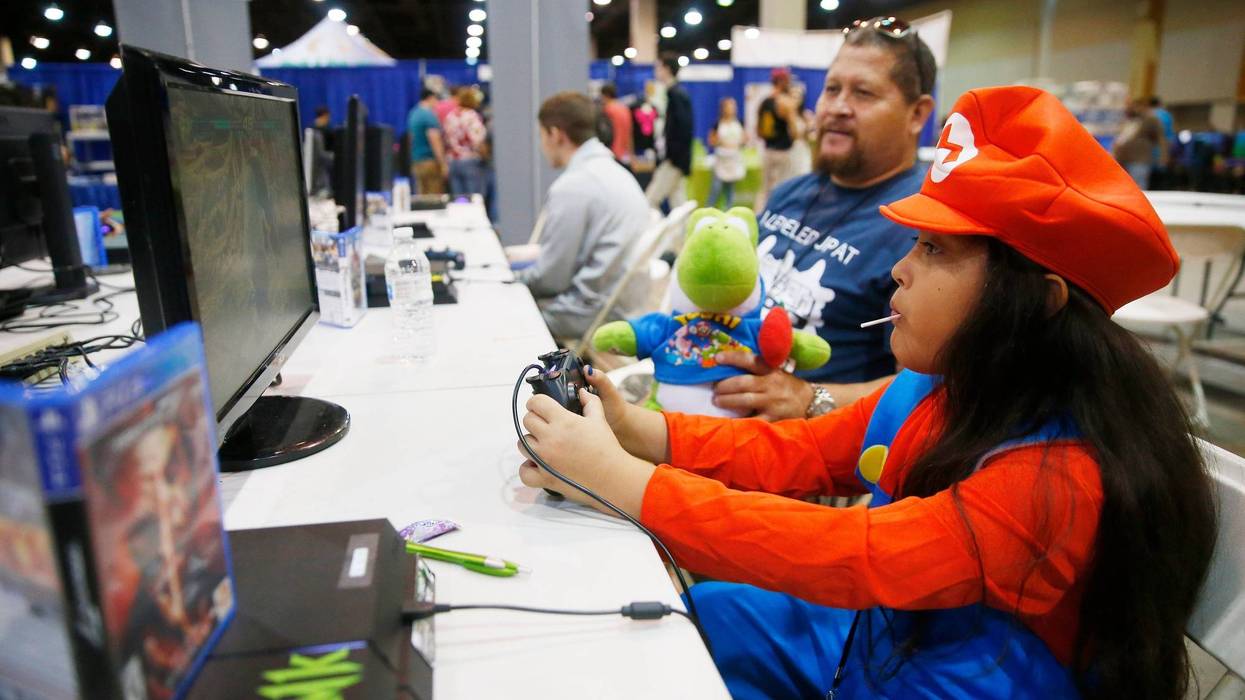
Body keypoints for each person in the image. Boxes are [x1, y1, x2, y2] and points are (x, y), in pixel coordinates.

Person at [517, 84, 1217, 700]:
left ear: (1035, 301)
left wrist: (621, 479)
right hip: (881, 639)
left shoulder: (1054, 478)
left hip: (940, 674)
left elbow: (854, 554)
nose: (898, 272)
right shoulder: (938, 386)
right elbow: (805, 451)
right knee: (687, 619)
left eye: (933, 250)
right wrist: (643, 434)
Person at [712, 17, 937, 421]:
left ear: (917, 115)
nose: (836, 107)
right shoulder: (791, 193)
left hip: (805, 449)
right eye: (832, 89)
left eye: (863, 93)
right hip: (719, 401)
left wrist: (811, 399)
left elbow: (927, 392)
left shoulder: (924, 229)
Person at [512, 91, 651, 340]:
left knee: (503, 317)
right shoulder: (615, 172)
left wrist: (509, 280)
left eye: (541, 135)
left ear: (555, 134)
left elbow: (551, 278)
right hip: (622, 303)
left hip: (588, 312)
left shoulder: (574, 186)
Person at [645, 54, 693, 209]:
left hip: (673, 159)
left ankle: (654, 232)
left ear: (666, 69)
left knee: (651, 200)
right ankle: (684, 233)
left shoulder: (676, 94)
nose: (656, 71)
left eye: (659, 67)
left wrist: (673, 156)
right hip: (675, 158)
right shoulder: (673, 93)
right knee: (678, 201)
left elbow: (683, 128)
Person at [756, 67, 798, 211]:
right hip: (784, 152)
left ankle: (760, 218)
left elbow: (759, 131)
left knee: (765, 190)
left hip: (768, 151)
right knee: (784, 189)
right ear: (781, 81)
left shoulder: (764, 102)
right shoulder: (785, 102)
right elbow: (795, 132)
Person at [443, 87, 490, 202]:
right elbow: (477, 140)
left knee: (459, 199)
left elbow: (446, 139)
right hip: (470, 160)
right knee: (474, 199)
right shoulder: (471, 116)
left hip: (453, 161)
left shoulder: (450, 116)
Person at [1112, 98, 1165, 189]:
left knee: (1138, 186)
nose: (1132, 108)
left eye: (1135, 106)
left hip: (1140, 159)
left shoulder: (1151, 120)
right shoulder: (1128, 121)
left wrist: (1163, 157)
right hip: (1123, 159)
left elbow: (1160, 139)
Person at [406, 88, 447, 195]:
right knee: (434, 196)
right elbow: (435, 140)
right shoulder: (429, 116)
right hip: (430, 161)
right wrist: (442, 163)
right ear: (431, 98)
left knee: (421, 195)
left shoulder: (413, 114)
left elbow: (410, 138)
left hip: (417, 160)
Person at [706, 97, 745, 208]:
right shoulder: (718, 124)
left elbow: (744, 139)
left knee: (730, 191)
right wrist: (720, 141)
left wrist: (739, 142)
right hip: (721, 160)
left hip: (733, 159)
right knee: (716, 188)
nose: (732, 109)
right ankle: (709, 210)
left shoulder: (739, 123)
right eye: (729, 106)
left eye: (734, 106)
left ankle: (728, 212)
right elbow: (711, 140)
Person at [599, 82, 634, 165]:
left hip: (612, 152)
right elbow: (630, 133)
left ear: (605, 95)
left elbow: (605, 133)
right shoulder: (625, 108)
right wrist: (632, 154)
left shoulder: (607, 109)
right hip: (625, 153)